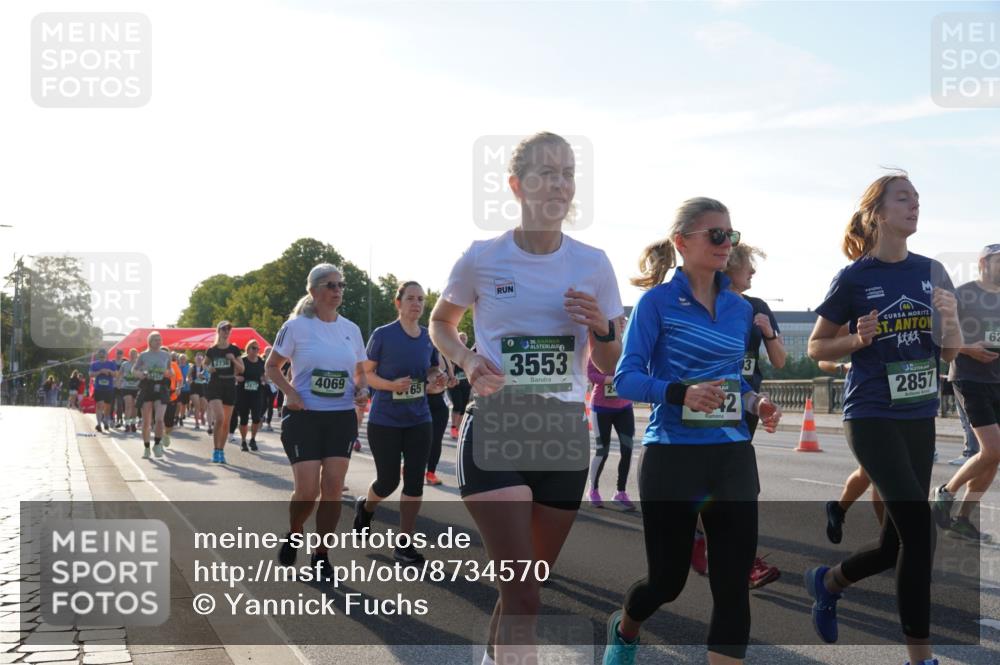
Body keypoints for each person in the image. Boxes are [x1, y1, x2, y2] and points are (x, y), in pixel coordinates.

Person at [430, 132, 624, 665]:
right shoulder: (482, 258)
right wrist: (468, 361)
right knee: (524, 594)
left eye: (567, 172)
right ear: (516, 185)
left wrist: (602, 327)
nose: (560, 183)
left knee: (524, 590)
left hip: (562, 434)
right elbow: (441, 323)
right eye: (546, 172)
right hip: (498, 425)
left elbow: (609, 363)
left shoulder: (594, 264)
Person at [602, 197, 781, 665]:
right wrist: (680, 393)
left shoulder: (739, 309)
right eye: (715, 235)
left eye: (731, 235)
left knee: (733, 586)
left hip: (731, 457)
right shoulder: (656, 303)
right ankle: (624, 628)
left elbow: (733, 378)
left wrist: (755, 401)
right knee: (667, 582)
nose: (726, 244)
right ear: (682, 242)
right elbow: (625, 378)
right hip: (673, 458)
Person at [803, 173, 960, 665]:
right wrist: (856, 339)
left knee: (895, 543)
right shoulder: (854, 277)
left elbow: (951, 351)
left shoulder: (933, 271)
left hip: (919, 414)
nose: (915, 205)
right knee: (921, 530)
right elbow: (816, 347)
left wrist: (951, 317)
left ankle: (829, 582)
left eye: (918, 199)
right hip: (871, 413)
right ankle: (922, 658)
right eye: (904, 198)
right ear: (877, 212)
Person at [267, 263, 368, 577]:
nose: (337, 291)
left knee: (334, 486)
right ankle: (296, 531)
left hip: (340, 417)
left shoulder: (351, 329)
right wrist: (290, 393)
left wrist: (363, 389)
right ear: (313, 291)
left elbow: (361, 372)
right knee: (308, 490)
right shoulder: (296, 327)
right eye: (329, 285)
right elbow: (272, 367)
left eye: (340, 285)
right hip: (304, 417)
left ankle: (321, 553)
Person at [354, 281, 447, 565]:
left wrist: (435, 377)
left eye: (420, 299)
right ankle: (367, 508)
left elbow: (432, 366)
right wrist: (391, 386)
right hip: (385, 420)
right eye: (410, 298)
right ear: (398, 303)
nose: (416, 304)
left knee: (415, 480)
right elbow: (366, 374)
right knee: (388, 480)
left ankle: (404, 542)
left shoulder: (427, 337)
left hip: (420, 418)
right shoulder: (383, 335)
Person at [932, 243, 1000, 541]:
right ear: (983, 262)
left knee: (994, 456)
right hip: (969, 378)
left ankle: (961, 519)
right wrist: (970, 349)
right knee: (993, 450)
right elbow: (940, 338)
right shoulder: (963, 293)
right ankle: (946, 492)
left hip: (997, 380)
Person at [586, 350, 636, 510]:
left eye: (623, 322)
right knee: (603, 451)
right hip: (601, 408)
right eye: (617, 322)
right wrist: (610, 379)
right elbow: (591, 374)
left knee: (627, 450)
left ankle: (620, 492)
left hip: (625, 407)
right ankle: (593, 489)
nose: (621, 323)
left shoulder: (629, 345)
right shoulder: (598, 348)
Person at [205, 322, 244, 464]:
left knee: (226, 423)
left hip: (229, 385)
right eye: (224, 329)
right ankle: (215, 450)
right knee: (220, 418)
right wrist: (208, 368)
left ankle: (221, 450)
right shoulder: (212, 350)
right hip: (215, 385)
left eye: (229, 329)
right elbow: (205, 364)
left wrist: (233, 359)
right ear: (218, 331)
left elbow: (242, 369)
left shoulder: (234, 349)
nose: (226, 331)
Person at [133, 332, 172, 459]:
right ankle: (146, 447)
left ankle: (157, 444)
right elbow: (134, 370)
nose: (158, 341)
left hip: (161, 387)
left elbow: (170, 370)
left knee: (160, 419)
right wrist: (140, 374)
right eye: (155, 340)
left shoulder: (166, 354)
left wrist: (168, 373)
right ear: (149, 341)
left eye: (159, 339)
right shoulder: (143, 355)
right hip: (147, 387)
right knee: (146, 422)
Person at [425, 341, 451, 486]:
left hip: (440, 401)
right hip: (422, 401)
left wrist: (449, 379)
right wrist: (427, 385)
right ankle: (410, 465)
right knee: (422, 440)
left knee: (436, 440)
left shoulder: (442, 351)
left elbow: (449, 378)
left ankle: (431, 473)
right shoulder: (419, 352)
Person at [235, 340, 266, 451]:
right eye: (253, 348)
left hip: (257, 393)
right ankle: (243, 441)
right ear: (247, 349)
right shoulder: (242, 361)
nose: (256, 351)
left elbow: (265, 375)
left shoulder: (261, 362)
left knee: (256, 418)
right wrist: (238, 378)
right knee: (243, 419)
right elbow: (234, 375)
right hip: (243, 394)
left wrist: (264, 379)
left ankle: (253, 439)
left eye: (257, 349)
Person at [445, 332, 473, 440]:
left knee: (463, 407)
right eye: (460, 338)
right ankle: (453, 428)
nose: (463, 340)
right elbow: (449, 367)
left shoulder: (468, 352)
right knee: (457, 405)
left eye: (464, 338)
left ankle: (459, 429)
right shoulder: (452, 352)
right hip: (454, 384)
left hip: (466, 384)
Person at [90, 349, 117, 432]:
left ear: (106, 355)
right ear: (98, 355)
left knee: (107, 407)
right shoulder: (94, 364)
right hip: (98, 388)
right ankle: (98, 424)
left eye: (103, 354)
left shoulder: (111, 364)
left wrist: (109, 371)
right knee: (99, 405)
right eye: (100, 354)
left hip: (109, 388)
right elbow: (91, 374)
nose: (102, 356)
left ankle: (105, 420)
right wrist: (100, 372)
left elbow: (116, 374)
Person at [119, 349, 141, 433]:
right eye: (131, 354)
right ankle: (127, 424)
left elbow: (143, 374)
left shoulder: (140, 365)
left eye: (134, 354)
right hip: (126, 387)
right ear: (129, 355)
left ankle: (133, 423)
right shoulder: (125, 364)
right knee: (128, 405)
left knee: (135, 407)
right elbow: (120, 374)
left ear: (137, 355)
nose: (133, 355)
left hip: (136, 388)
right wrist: (118, 382)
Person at [189, 353, 210, 431]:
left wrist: (205, 377)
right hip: (194, 387)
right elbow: (188, 377)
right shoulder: (192, 367)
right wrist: (189, 380)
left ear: (202, 360)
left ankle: (202, 415)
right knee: (197, 406)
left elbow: (208, 376)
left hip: (203, 387)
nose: (199, 360)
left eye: (200, 359)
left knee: (204, 406)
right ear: (195, 359)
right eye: (197, 358)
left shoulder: (204, 367)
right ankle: (197, 423)